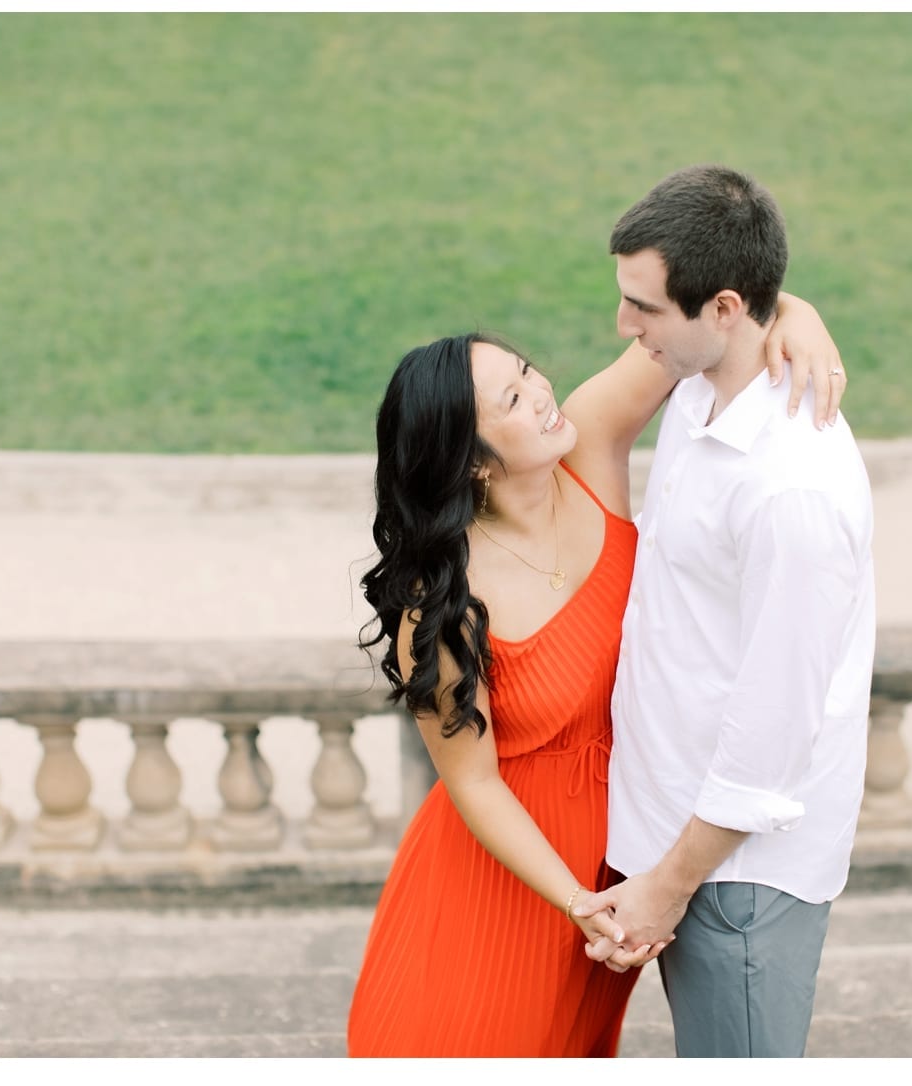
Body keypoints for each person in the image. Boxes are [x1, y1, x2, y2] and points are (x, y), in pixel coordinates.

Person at [346, 292, 847, 1054]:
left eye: (526, 371)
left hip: (614, 862)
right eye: (512, 399)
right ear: (472, 460)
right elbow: (473, 783)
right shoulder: (441, 603)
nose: (542, 392)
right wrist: (578, 901)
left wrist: (796, 314)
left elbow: (695, 321)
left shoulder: (588, 450)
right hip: (510, 887)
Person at [573, 165, 876, 1058]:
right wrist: (797, 308)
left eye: (645, 309)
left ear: (727, 308)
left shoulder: (794, 493)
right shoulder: (702, 369)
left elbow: (773, 736)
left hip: (733, 875)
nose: (625, 329)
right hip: (673, 831)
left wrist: (668, 885)